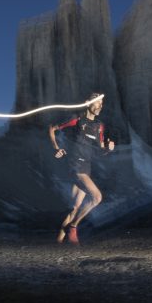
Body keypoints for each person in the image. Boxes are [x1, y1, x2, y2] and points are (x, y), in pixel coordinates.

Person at [48, 92, 115, 245]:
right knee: (97, 197)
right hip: (75, 166)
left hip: (86, 168)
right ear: (88, 103)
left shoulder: (99, 126)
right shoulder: (76, 119)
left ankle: (57, 243)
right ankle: (73, 227)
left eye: (102, 103)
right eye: (97, 102)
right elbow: (52, 129)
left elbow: (100, 149)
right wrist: (56, 148)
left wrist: (108, 148)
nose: (100, 106)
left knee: (75, 207)